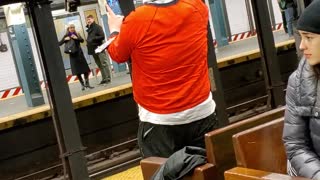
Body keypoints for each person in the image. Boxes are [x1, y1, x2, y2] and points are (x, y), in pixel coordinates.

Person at [105, 0, 218, 158]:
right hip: (202, 113)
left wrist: (115, 30)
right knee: (207, 171)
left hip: (159, 120)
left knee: (162, 173)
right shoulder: (197, 6)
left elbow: (117, 54)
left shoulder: (137, 19)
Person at [283, 1, 320, 179]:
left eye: (309, 37)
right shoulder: (298, 81)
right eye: (301, 37)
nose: (302, 45)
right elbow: (295, 145)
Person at [59, 24, 94, 91]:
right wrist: (64, 39)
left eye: (73, 27)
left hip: (80, 54)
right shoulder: (66, 36)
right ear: (68, 29)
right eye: (70, 28)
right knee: (77, 71)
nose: (72, 29)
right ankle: (82, 85)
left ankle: (87, 84)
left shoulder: (77, 34)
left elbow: (82, 40)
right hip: (72, 56)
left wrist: (76, 38)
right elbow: (59, 44)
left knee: (85, 70)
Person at [86, 15, 112, 84]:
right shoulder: (89, 28)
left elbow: (102, 36)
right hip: (93, 49)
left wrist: (94, 38)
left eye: (89, 19)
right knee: (99, 65)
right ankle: (104, 79)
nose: (88, 21)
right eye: (87, 20)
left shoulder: (97, 27)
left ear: (93, 19)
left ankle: (108, 78)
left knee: (104, 63)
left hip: (99, 48)